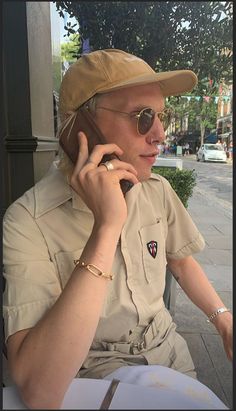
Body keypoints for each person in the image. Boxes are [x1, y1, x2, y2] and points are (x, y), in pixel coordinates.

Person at [3, 49, 232, 409]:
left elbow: (182, 262)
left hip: (170, 357)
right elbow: (39, 390)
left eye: (161, 116)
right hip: (91, 377)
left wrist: (224, 321)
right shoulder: (27, 221)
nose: (159, 134)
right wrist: (106, 227)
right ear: (82, 128)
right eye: (143, 117)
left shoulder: (155, 190)